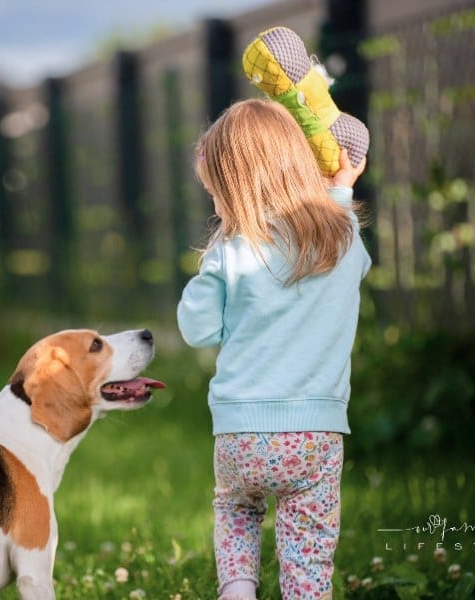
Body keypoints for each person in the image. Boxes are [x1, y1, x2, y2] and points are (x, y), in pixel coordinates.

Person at [176, 98, 370, 600]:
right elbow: (350, 251)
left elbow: (197, 329)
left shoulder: (231, 249)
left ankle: (238, 591)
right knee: (308, 549)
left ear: (236, 189)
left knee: (237, 512)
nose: (216, 207)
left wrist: (211, 263)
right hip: (316, 436)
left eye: (217, 194)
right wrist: (342, 190)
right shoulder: (342, 238)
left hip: (240, 433)